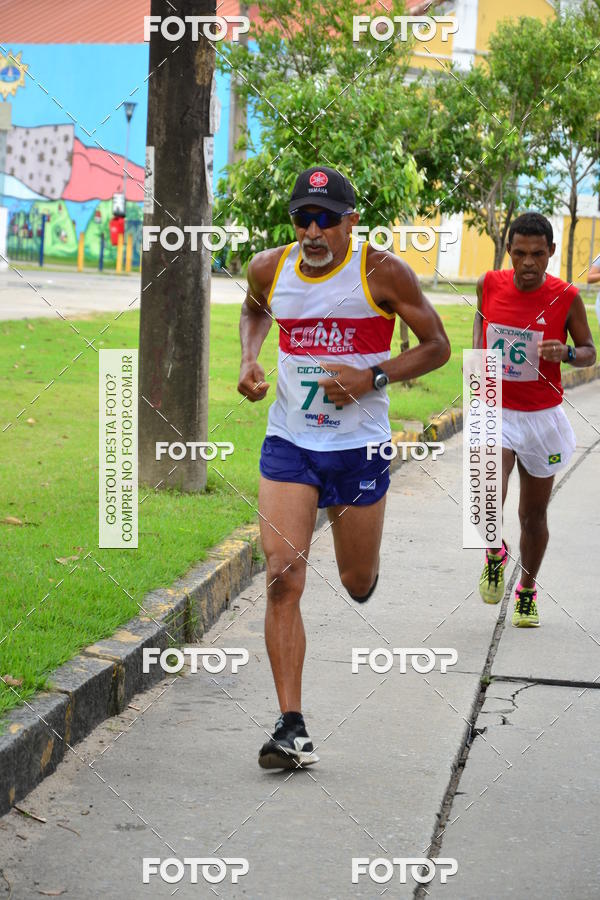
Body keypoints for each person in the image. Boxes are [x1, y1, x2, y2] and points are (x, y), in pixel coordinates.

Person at [237, 166, 451, 768]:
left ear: (350, 222)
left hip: (359, 449)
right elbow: (254, 310)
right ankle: (292, 727)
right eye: (302, 217)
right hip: (291, 444)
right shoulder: (267, 267)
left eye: (325, 219)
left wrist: (373, 376)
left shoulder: (381, 272)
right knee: (283, 576)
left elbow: (437, 345)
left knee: (357, 582)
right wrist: (251, 358)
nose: (311, 229)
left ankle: (364, 574)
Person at [474, 212, 596, 626]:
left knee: (533, 515)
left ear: (551, 253)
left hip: (542, 417)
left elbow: (589, 351)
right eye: (521, 253)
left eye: (538, 254)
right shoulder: (489, 284)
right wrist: (478, 364)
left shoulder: (566, 296)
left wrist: (568, 354)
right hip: (498, 410)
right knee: (486, 495)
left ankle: (526, 589)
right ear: (509, 250)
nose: (528, 263)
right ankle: (495, 551)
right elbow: (481, 321)